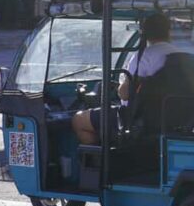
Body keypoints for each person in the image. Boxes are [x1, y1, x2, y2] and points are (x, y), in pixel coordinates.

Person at [72, 12, 179, 145]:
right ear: (169, 31)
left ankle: (108, 157)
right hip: (172, 116)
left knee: (78, 120)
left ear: (144, 33)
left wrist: (120, 87)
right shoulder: (181, 55)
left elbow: (124, 94)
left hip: (137, 118)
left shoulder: (143, 56)